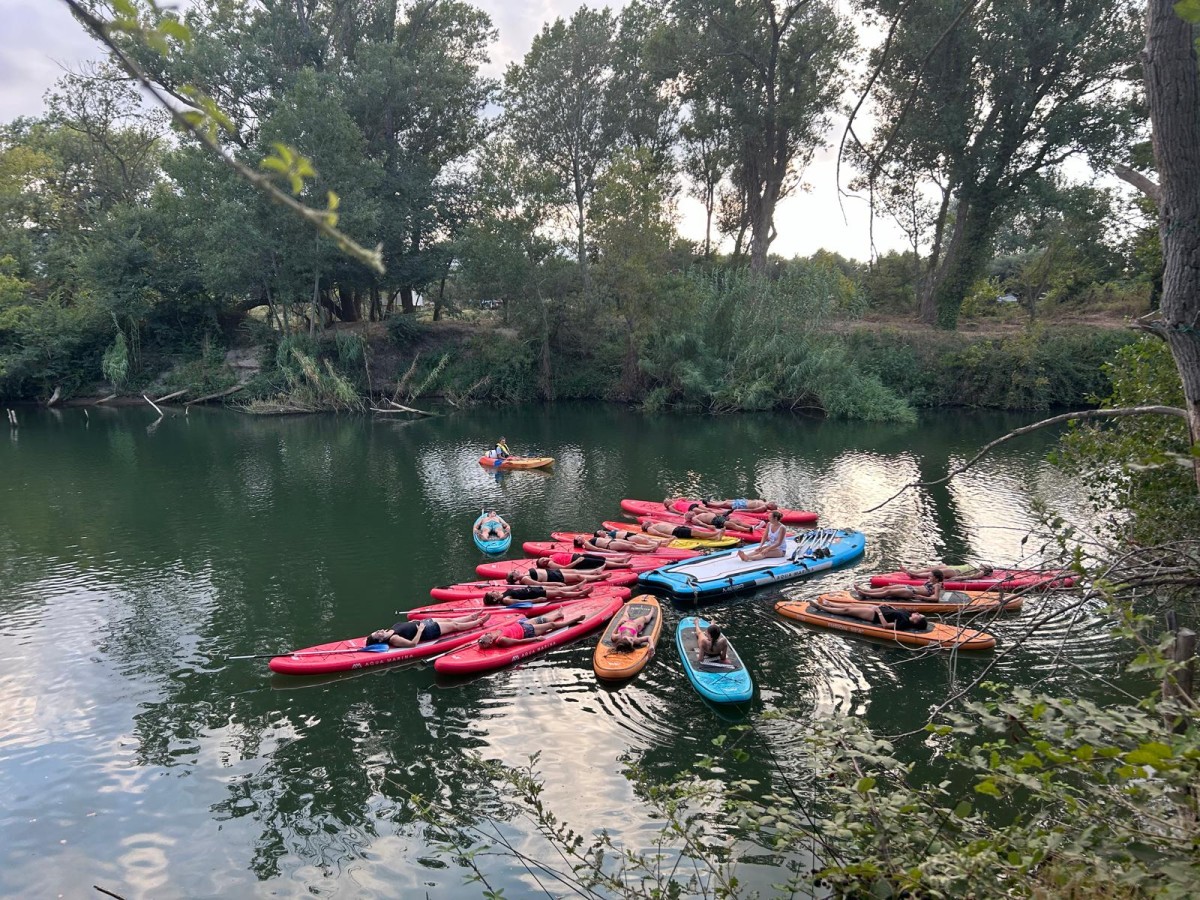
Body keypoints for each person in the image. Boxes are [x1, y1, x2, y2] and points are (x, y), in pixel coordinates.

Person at [476, 609, 588, 649]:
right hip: (527, 631)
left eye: (486, 634)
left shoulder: (492, 633)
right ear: (490, 641)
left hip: (521, 624)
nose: (487, 634)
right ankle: (573, 621)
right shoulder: (501, 640)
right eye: (487, 636)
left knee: (542, 619)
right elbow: (518, 642)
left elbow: (481, 640)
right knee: (551, 625)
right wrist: (535, 639)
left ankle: (558, 614)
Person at [368, 612, 490, 648]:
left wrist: (413, 622)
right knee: (454, 626)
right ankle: (478, 622)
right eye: (377, 634)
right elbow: (412, 644)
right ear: (380, 640)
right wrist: (420, 630)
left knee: (449, 619)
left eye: (376, 631)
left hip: (423, 623)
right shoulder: (393, 639)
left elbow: (405, 626)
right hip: (428, 631)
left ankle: (471, 617)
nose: (378, 631)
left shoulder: (391, 629)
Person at [814, 597, 928, 631]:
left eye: (919, 615)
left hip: (874, 615)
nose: (917, 613)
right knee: (852, 605)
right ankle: (830, 603)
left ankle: (822, 608)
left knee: (847, 610)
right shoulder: (908, 614)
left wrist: (879, 613)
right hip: (879, 609)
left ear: (916, 621)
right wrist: (888, 606)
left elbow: (885, 626)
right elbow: (895, 612)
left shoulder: (904, 623)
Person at [852, 569, 945, 602]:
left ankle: (866, 594)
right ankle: (865, 590)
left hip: (911, 592)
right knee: (886, 587)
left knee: (888, 592)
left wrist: (922, 598)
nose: (929, 577)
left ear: (936, 578)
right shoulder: (931, 582)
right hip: (909, 587)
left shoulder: (937, 585)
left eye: (931, 576)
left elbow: (936, 598)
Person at [482, 584, 591, 604]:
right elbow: (520, 601)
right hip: (534, 594)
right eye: (492, 593)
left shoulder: (503, 593)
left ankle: (575, 587)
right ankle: (581, 593)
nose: (494, 591)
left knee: (556, 587)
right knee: (559, 593)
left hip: (532, 589)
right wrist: (536, 600)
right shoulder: (505, 599)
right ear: (494, 599)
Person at [506, 566, 606, 585]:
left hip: (551, 572)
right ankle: (599, 577)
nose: (515, 570)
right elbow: (539, 584)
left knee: (575, 571)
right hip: (552, 577)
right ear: (514, 577)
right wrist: (556, 584)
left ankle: (594, 571)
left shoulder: (524, 574)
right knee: (577, 577)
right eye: (513, 572)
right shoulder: (524, 579)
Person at [683, 509, 756, 533]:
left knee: (737, 521)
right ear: (689, 516)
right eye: (688, 513)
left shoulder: (698, 514)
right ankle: (747, 530)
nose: (690, 512)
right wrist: (708, 526)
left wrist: (722, 514)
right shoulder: (694, 518)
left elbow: (712, 513)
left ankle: (752, 526)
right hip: (715, 521)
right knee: (731, 524)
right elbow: (700, 523)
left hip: (718, 517)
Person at [537, 552, 631, 571]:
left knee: (601, 558)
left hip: (578, 556)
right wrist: (577, 561)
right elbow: (565, 568)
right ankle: (623, 565)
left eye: (542, 559)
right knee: (599, 563)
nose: (544, 560)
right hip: (577, 561)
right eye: (543, 562)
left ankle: (621, 560)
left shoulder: (551, 556)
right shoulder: (551, 564)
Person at [574, 533, 660, 554]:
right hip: (610, 545)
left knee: (633, 543)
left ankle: (650, 546)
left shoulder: (588, 540)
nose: (580, 536)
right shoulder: (587, 544)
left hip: (612, 541)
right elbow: (597, 549)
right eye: (578, 538)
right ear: (578, 542)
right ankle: (650, 549)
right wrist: (610, 552)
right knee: (631, 547)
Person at [641, 520, 722, 541]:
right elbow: (657, 533)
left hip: (678, 529)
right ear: (645, 527)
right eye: (644, 523)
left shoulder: (654, 524)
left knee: (696, 534)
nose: (646, 522)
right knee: (696, 533)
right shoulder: (650, 528)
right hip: (675, 531)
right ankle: (715, 534)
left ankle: (715, 538)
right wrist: (669, 536)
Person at [901, 563, 993, 580]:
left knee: (936, 572)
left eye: (986, 565)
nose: (983, 564)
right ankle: (915, 571)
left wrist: (957, 578)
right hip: (952, 567)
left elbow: (971, 577)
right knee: (932, 568)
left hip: (956, 572)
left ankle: (916, 575)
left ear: (986, 569)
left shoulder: (981, 572)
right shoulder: (975, 567)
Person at [703, 497, 777, 513]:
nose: (771, 503)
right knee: (727, 501)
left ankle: (709, 504)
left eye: (772, 504)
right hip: (743, 501)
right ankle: (713, 502)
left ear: (771, 507)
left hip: (743, 505)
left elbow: (753, 510)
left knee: (726, 504)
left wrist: (740, 510)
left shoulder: (763, 507)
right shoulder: (764, 502)